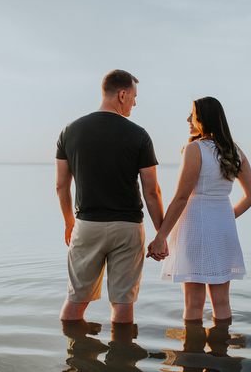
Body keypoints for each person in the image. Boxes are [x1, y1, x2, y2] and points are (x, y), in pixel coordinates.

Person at [56, 69, 163, 324]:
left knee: (75, 299)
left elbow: (61, 186)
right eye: (134, 97)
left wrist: (69, 222)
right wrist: (161, 234)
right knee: (123, 303)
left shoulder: (69, 131)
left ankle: (76, 359)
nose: (135, 103)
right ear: (122, 95)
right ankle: (123, 360)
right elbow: (151, 191)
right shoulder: (139, 134)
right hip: (128, 228)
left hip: (87, 225)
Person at [147, 96, 251, 322]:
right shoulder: (235, 151)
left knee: (193, 304)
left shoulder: (195, 148)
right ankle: (221, 351)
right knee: (222, 302)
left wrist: (161, 237)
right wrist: (227, 216)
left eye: (193, 115)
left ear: (204, 119)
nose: (188, 119)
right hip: (223, 228)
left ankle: (191, 354)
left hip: (195, 227)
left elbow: (181, 198)